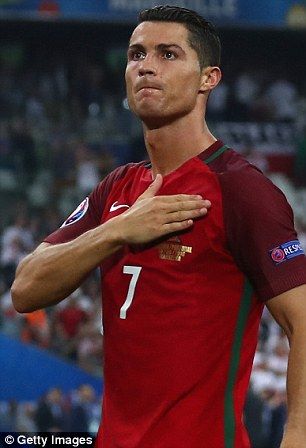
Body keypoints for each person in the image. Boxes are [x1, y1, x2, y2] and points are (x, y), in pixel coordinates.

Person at [11, 5, 306, 448]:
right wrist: (117, 230)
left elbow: (302, 321)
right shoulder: (116, 188)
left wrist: (297, 437)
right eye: (136, 54)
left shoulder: (240, 190)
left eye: (168, 54)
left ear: (209, 78)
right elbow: (25, 289)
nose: (146, 66)